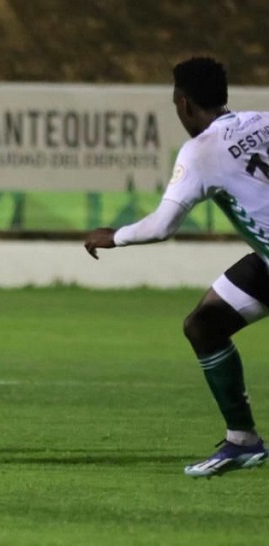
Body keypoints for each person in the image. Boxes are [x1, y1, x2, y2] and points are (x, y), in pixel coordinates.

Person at [84, 57, 269, 477]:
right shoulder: (263, 119)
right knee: (205, 324)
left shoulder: (201, 150)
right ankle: (242, 441)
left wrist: (113, 236)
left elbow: (162, 226)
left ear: (183, 104)